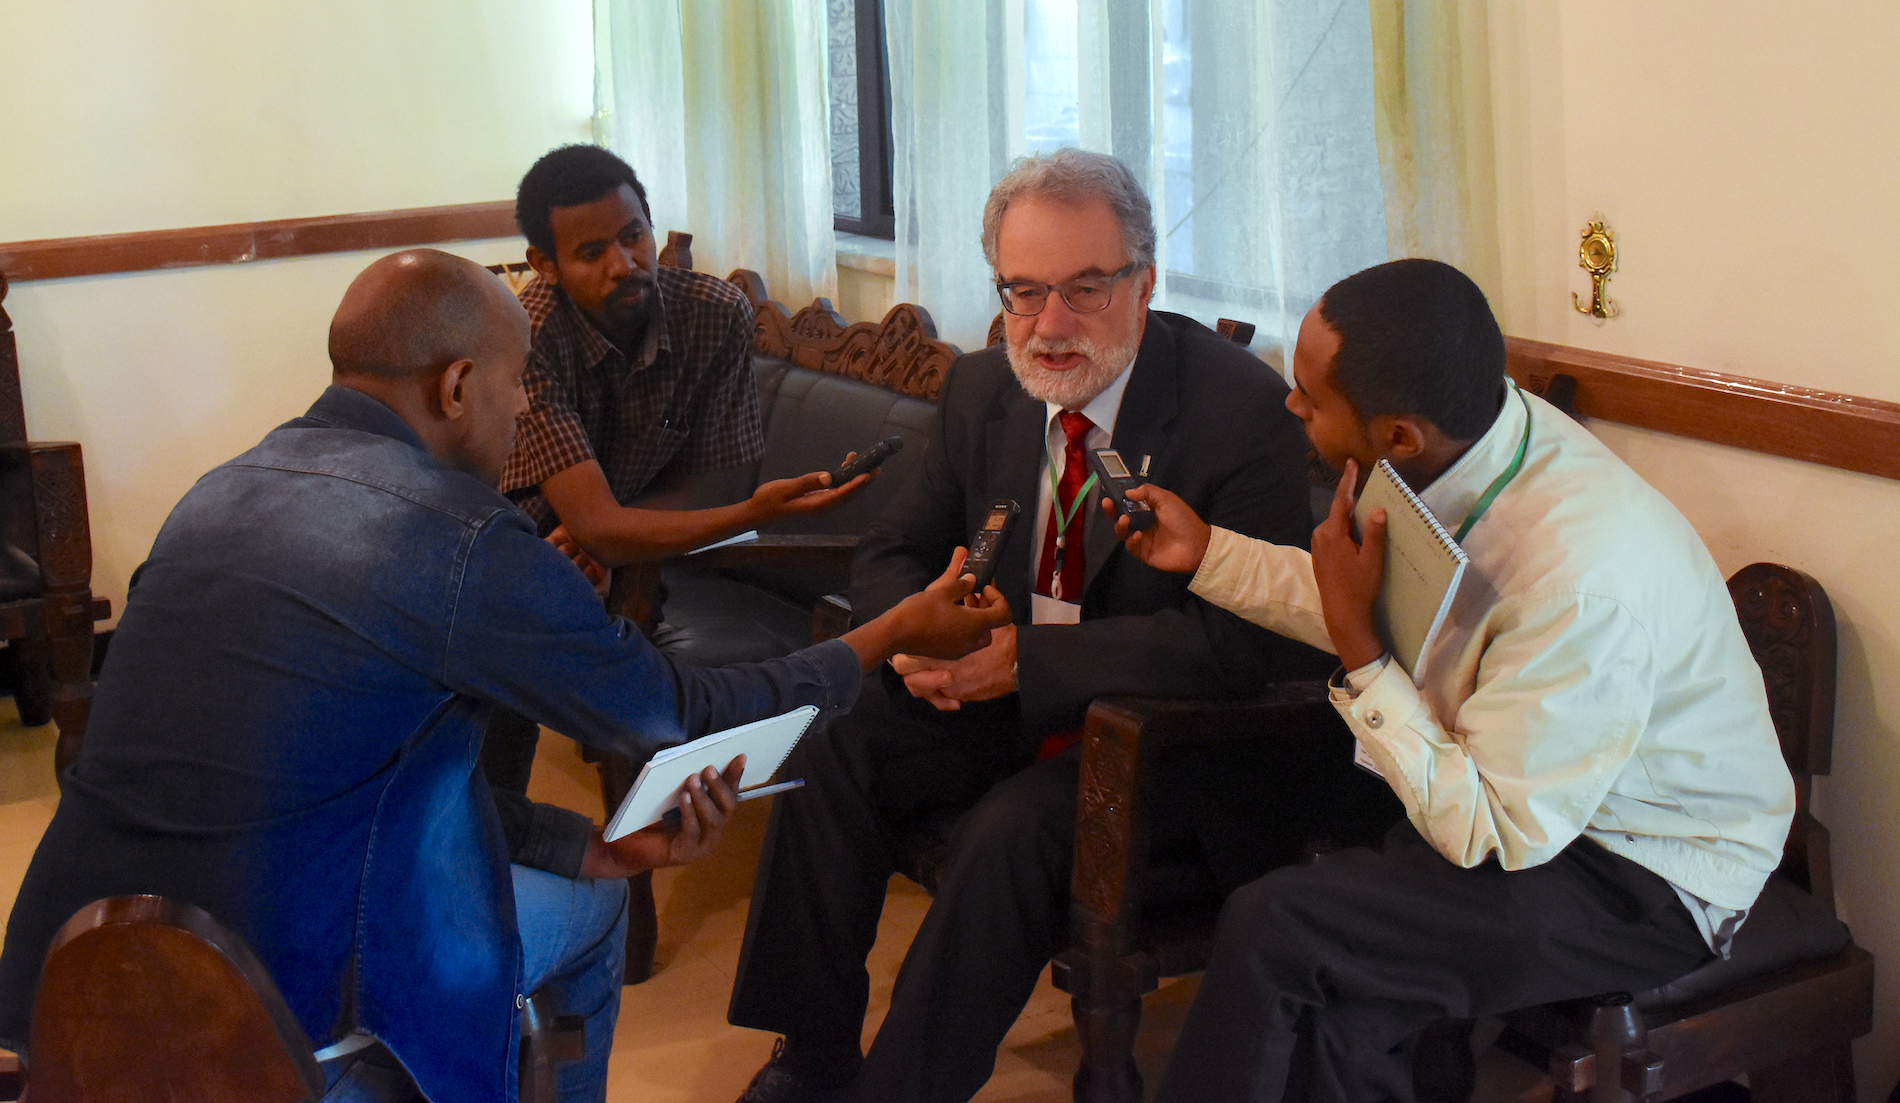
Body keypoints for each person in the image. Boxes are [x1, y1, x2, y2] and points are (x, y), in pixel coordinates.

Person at [0, 250, 1007, 1103]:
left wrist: (591, 839)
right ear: (452, 387)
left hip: (65, 999)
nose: (522, 405)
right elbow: (681, 712)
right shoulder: (459, 536)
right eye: (516, 381)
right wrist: (890, 630)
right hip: (265, 1030)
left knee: (580, 878)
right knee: (589, 918)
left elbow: (350, 751)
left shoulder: (218, 493)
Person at [726, 149, 1391, 1103]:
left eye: (1085, 288)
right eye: (1024, 292)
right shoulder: (983, 388)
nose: (1050, 325)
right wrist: (919, 636)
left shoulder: (1236, 411)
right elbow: (890, 548)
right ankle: (813, 1055)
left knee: (1009, 833)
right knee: (835, 737)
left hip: (1167, 744)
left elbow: (1246, 645)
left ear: (1146, 281)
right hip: (1005, 699)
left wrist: (1025, 661)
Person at [1115, 258, 1796, 1102]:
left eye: (1309, 396)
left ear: (1398, 432)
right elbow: (1363, 599)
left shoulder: (1575, 579)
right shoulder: (1466, 442)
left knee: (1277, 923)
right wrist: (1209, 552)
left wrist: (1364, 653)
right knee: (1340, 993)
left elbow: (1493, 830)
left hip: (1642, 870)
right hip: (1526, 789)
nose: (1291, 406)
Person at [485, 143, 875, 860]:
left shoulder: (713, 313)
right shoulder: (526, 334)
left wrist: (610, 531)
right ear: (545, 265)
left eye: (634, 236)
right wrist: (746, 514)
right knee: (505, 632)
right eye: (591, 251)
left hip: (639, 546)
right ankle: (502, 852)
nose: (624, 264)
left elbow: (705, 478)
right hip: (515, 542)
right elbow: (600, 520)